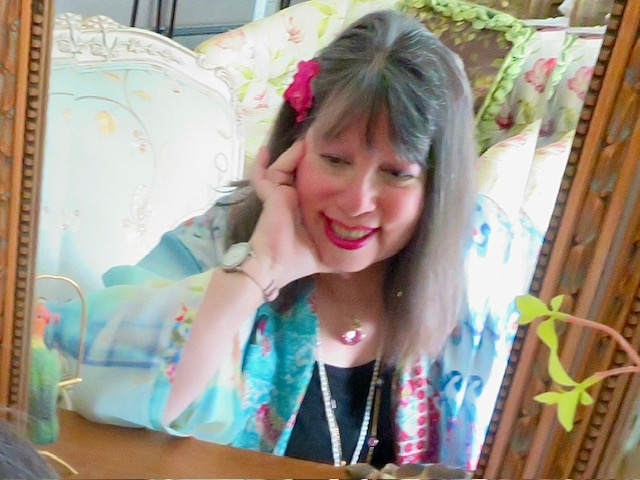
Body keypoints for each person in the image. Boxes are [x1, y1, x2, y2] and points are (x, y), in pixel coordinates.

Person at [49, 8, 485, 470]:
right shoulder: (212, 246)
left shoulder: (477, 277)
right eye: (336, 160)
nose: (357, 200)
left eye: (396, 173)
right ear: (293, 148)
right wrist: (259, 269)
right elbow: (96, 390)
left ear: (438, 188)